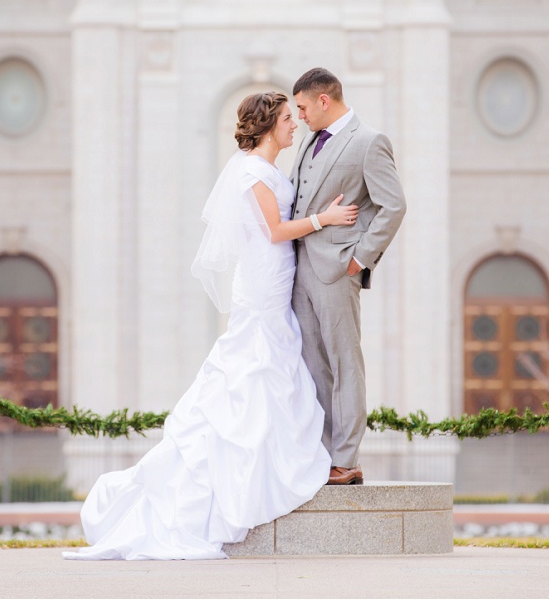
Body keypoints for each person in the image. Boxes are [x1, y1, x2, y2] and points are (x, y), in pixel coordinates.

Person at [63, 92, 359, 561]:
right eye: (287, 119)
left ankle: (272, 460)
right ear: (266, 126)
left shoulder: (270, 170)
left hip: (275, 277)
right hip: (263, 284)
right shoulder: (252, 173)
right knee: (254, 367)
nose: (294, 125)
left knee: (273, 367)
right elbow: (274, 231)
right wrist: (326, 219)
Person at [289, 68, 407, 486]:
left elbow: (392, 206)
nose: (299, 115)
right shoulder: (309, 141)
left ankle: (347, 459)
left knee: (344, 363)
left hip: (338, 269)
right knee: (313, 366)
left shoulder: (368, 141)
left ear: (324, 100)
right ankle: (322, 457)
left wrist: (359, 259)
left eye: (302, 107)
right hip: (299, 269)